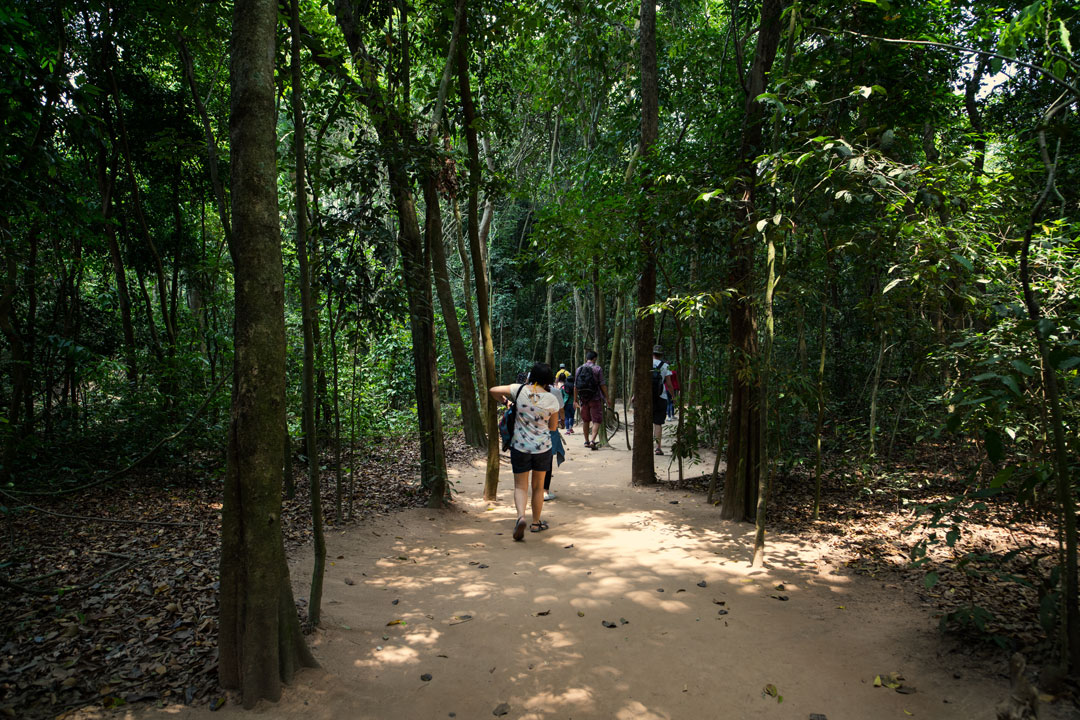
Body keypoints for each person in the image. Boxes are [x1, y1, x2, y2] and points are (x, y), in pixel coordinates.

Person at [489, 363, 561, 540]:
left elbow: (493, 390)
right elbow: (553, 428)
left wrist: (506, 402)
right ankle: (535, 523)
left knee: (520, 486)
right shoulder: (552, 400)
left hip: (520, 446)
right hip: (543, 448)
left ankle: (521, 517)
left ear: (531, 376)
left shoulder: (518, 390)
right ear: (548, 381)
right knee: (538, 486)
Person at [573, 350, 608, 450]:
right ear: (594, 359)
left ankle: (586, 441)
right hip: (595, 398)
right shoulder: (597, 369)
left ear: (586, 358)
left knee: (585, 420)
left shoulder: (579, 369)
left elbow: (575, 386)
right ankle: (593, 440)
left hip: (583, 399)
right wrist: (607, 398)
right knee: (597, 420)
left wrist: (575, 400)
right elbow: (602, 384)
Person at [651, 345, 675, 455]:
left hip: (647, 397)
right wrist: (674, 397)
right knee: (658, 423)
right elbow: (669, 384)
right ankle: (657, 447)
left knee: (647, 421)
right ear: (661, 355)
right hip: (662, 396)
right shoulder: (665, 366)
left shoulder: (647, 363)